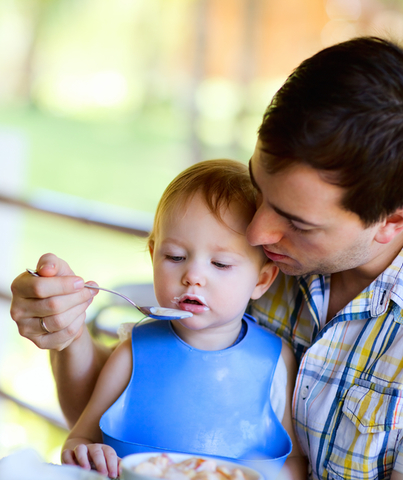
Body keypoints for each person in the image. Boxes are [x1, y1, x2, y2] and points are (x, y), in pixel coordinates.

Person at [10, 37, 403, 480]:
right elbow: (129, 411)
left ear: (392, 221)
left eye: (296, 222)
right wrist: (66, 332)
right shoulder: (268, 235)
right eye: (260, 188)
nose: (256, 232)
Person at [58, 160, 306, 479]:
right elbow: (79, 439)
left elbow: (294, 463)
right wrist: (86, 452)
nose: (193, 276)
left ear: (261, 281)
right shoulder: (133, 353)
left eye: (220, 263)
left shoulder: (276, 361)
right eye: (175, 257)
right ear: (153, 256)